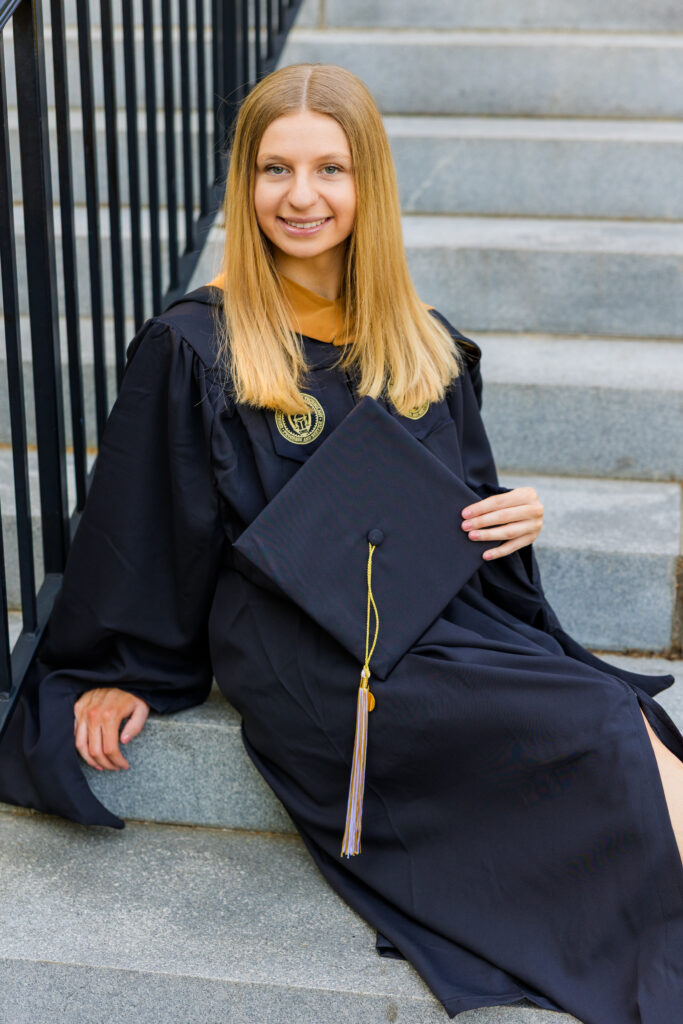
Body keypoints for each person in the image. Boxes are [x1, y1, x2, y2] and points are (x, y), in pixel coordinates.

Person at [1, 62, 682, 1022]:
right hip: (300, 644)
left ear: (370, 184)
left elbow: (458, 510)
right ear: (245, 184)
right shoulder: (198, 344)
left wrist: (509, 522)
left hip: (431, 611)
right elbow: (141, 529)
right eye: (275, 170)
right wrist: (114, 668)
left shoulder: (421, 344)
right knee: (601, 727)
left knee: (626, 719)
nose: (303, 196)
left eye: (330, 168)